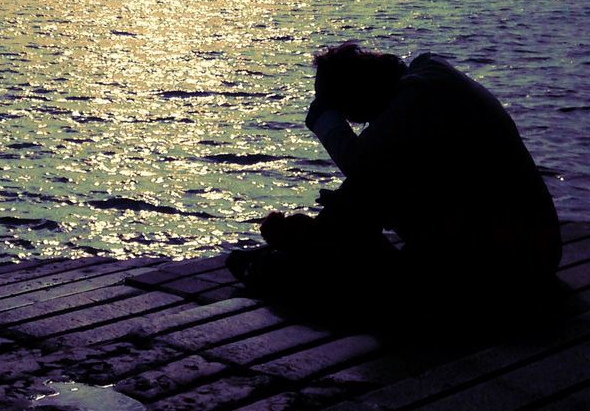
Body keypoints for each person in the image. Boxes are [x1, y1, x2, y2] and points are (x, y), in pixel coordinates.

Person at [228, 42, 561, 323]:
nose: (366, 124)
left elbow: (360, 163)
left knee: (362, 206)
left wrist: (324, 119)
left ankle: (288, 264)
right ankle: (301, 254)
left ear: (360, 94)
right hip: (529, 250)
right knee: (365, 195)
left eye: (354, 115)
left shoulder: (418, 95)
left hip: (508, 265)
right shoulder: (432, 78)